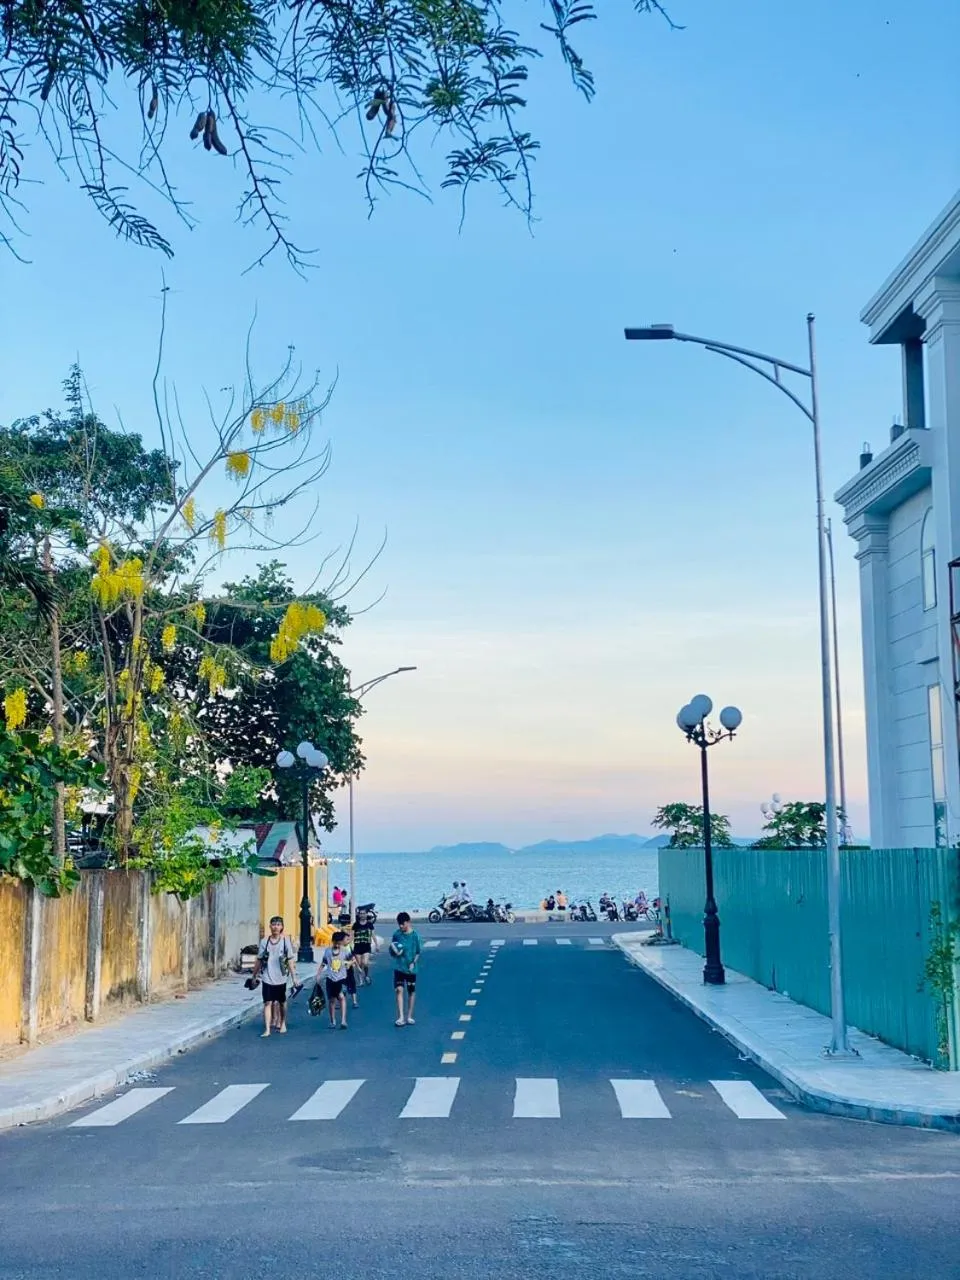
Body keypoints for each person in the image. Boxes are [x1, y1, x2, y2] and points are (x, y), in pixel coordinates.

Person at [252, 916, 298, 1038]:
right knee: (267, 1002)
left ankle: (282, 1023)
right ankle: (267, 1029)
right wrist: (254, 975)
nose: (276, 927)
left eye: (278, 924)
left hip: (281, 978)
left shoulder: (285, 941)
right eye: (273, 924)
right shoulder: (264, 941)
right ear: (270, 926)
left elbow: (290, 960)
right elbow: (259, 959)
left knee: (282, 1002)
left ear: (282, 927)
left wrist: (294, 978)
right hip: (267, 976)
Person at [390, 911, 422, 1027]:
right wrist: (395, 953)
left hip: (411, 969)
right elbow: (392, 948)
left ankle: (409, 1016)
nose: (400, 926)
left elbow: (418, 952)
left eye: (402, 924)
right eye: (399, 924)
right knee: (399, 990)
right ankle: (401, 1017)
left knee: (411, 991)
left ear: (408, 922)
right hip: (399, 967)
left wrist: (413, 962)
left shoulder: (415, 936)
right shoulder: (397, 935)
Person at [317, 930, 353, 1029]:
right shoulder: (328, 951)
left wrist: (349, 964)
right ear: (332, 941)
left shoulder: (345, 951)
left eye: (339, 943)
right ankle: (332, 1020)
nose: (337, 945)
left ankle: (343, 1020)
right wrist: (318, 975)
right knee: (332, 1000)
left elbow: (352, 960)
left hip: (342, 978)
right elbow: (323, 963)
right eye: (335, 942)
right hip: (330, 978)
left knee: (341, 997)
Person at [351, 909, 378, 985]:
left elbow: (373, 935)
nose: (362, 915)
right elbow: (352, 935)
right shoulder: (355, 925)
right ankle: (360, 981)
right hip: (357, 947)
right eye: (361, 913)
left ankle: (366, 976)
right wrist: (348, 943)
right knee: (359, 964)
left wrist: (376, 945)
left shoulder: (369, 924)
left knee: (365, 963)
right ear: (359, 915)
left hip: (366, 947)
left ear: (366, 914)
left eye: (364, 913)